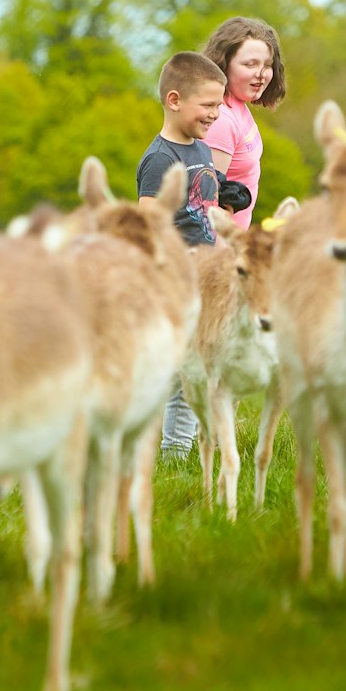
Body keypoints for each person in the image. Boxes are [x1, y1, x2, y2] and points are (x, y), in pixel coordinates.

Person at [136, 51, 226, 459]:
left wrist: (225, 192)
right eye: (207, 106)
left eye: (219, 106)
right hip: (175, 282)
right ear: (174, 101)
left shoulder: (201, 150)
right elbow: (149, 229)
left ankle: (185, 451)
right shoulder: (160, 159)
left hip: (205, 277)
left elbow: (200, 208)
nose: (215, 115)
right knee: (181, 374)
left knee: (199, 370)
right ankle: (173, 455)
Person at [200, 16, 287, 229]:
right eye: (250, 64)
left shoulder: (238, 103)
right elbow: (207, 207)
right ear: (223, 63)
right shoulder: (220, 119)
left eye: (267, 65)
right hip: (220, 249)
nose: (261, 74)